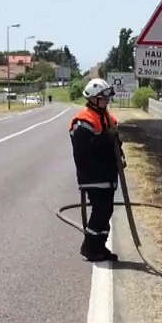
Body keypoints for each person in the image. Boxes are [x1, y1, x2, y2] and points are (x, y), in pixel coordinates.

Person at [69, 78, 124, 262]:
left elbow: (114, 143)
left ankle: (100, 247)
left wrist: (120, 155)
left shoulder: (108, 118)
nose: (106, 101)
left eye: (107, 98)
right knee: (100, 211)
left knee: (106, 211)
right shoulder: (83, 121)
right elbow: (84, 150)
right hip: (92, 175)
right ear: (93, 99)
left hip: (108, 174)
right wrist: (107, 138)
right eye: (103, 98)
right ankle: (90, 247)